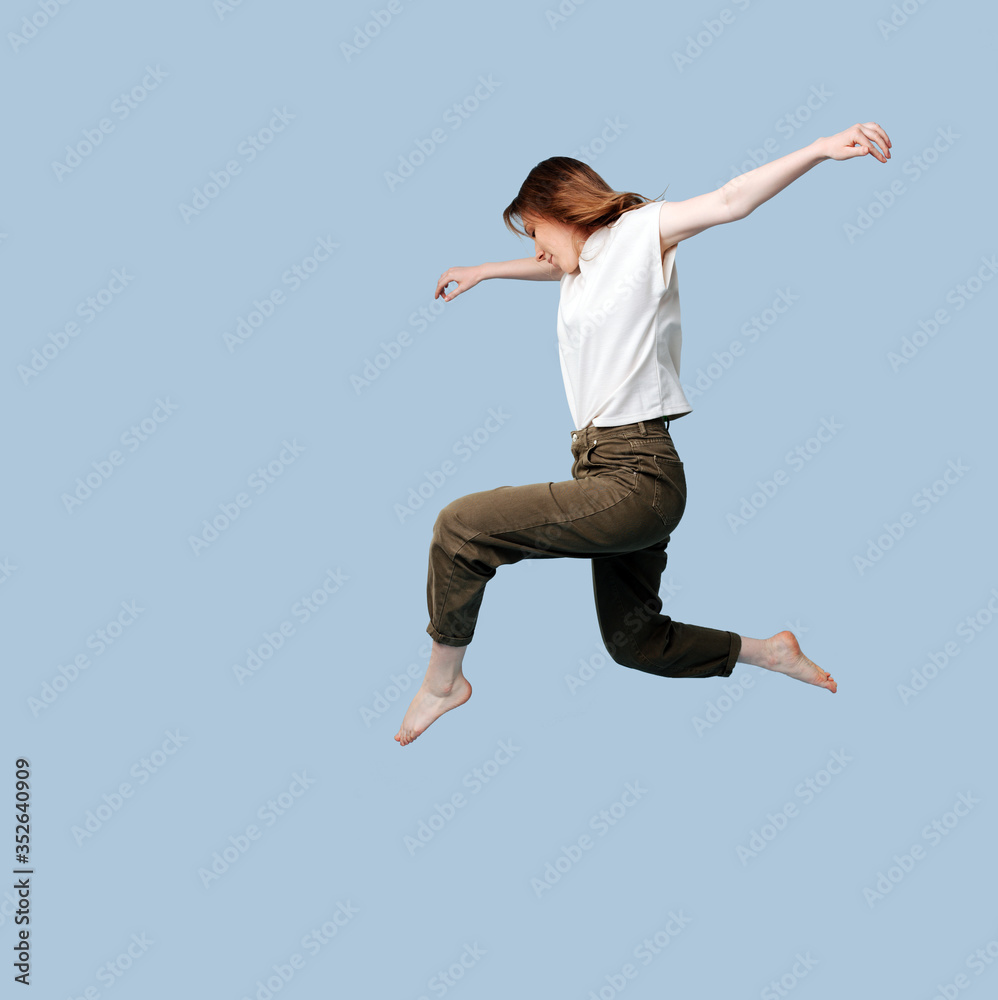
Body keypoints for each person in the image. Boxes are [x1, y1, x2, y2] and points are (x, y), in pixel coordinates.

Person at [395, 122, 891, 746]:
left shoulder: (639, 233)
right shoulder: (584, 268)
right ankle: (769, 651)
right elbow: (560, 264)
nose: (539, 252)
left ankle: (444, 683)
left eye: (535, 233)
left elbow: (732, 200)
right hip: (601, 473)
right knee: (634, 641)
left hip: (639, 475)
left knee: (461, 527)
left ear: (559, 209)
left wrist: (820, 149)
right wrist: (487, 270)